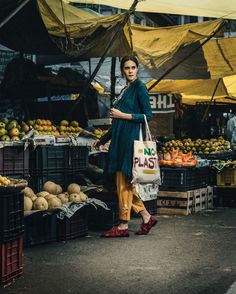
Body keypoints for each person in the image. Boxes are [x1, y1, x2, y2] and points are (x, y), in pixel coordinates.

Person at [92, 55, 158, 237]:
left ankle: (123, 225)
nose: (130, 71)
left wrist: (123, 115)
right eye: (126, 68)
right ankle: (146, 217)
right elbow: (117, 124)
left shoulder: (140, 88)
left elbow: (147, 116)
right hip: (119, 142)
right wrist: (103, 139)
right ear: (123, 70)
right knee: (123, 183)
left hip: (130, 144)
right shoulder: (125, 89)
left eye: (133, 67)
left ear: (137, 69)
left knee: (123, 182)